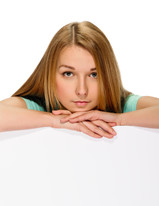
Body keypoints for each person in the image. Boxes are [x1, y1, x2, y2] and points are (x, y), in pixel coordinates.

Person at [0, 21, 159, 138]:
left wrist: (120, 119)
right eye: (68, 74)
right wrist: (54, 121)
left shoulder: (123, 105)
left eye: (94, 75)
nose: (82, 90)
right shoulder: (36, 106)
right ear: (49, 74)